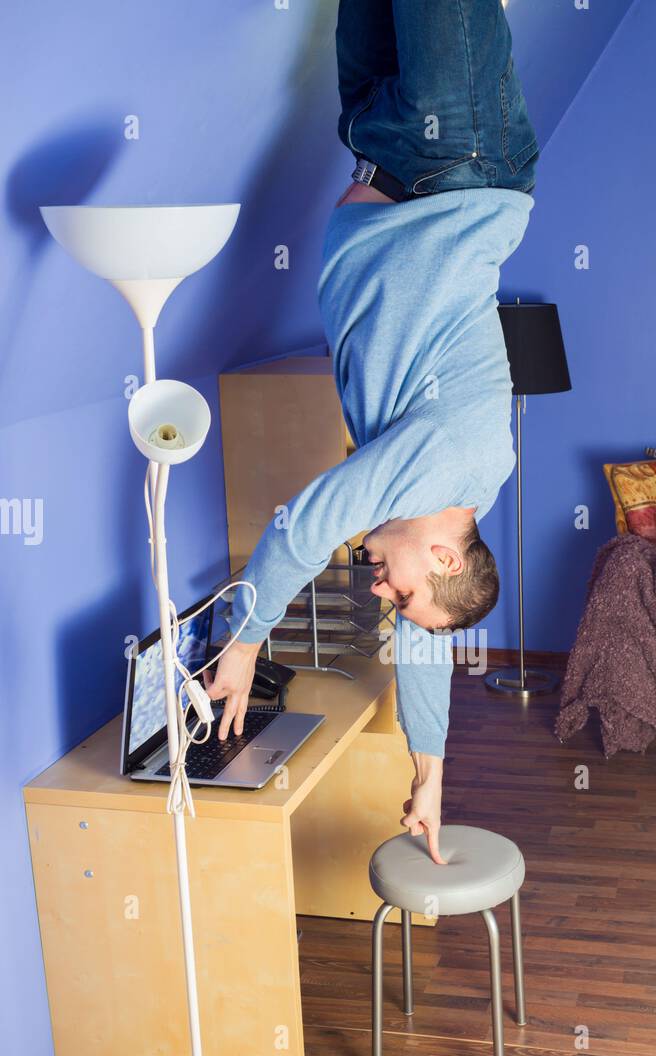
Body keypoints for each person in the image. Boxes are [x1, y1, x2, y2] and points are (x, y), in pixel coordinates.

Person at [205, 0, 538, 863]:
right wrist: (241, 647)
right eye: (404, 594)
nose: (380, 595)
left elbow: (428, 644)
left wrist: (429, 772)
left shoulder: (438, 498)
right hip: (456, 154)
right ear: (446, 557)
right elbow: (302, 522)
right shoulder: (447, 468)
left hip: (390, 149)